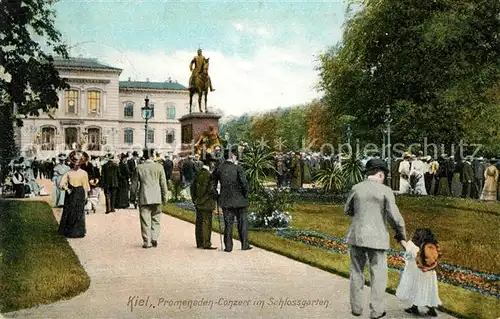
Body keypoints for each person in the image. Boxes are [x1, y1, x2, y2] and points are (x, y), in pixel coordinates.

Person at [344, 158, 407, 319]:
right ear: (380, 174)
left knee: (356, 272)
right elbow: (395, 217)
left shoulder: (356, 188)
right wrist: (401, 235)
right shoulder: (385, 191)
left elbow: (347, 210)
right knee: (378, 276)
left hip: (357, 236)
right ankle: (376, 311)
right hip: (378, 238)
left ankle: (356, 308)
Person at [211, 145, 252, 252]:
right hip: (240, 200)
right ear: (233, 156)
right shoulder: (238, 168)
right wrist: (245, 195)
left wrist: (217, 196)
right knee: (242, 223)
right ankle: (244, 245)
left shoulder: (219, 169)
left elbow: (212, 185)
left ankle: (228, 246)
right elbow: (244, 184)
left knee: (228, 224)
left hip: (225, 200)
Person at [396, 228, 441, 317]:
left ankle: (414, 307)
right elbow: (436, 260)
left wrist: (400, 238)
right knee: (429, 291)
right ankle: (431, 309)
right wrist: (428, 269)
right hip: (429, 274)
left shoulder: (413, 247)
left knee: (416, 290)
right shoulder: (432, 247)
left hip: (416, 274)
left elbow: (405, 247)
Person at [130, 148, 169, 249]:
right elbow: (163, 184)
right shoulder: (159, 167)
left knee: (145, 220)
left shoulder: (139, 168)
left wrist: (132, 197)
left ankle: (147, 241)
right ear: (152, 156)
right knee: (156, 219)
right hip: (157, 196)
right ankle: (154, 237)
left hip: (144, 196)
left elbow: (134, 185)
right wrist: (165, 197)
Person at [58, 151, 90, 238]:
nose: (77, 165)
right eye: (75, 164)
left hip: (80, 193)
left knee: (79, 212)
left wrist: (86, 196)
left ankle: (79, 231)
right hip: (71, 193)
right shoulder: (68, 173)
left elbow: (85, 186)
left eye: (79, 164)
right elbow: (62, 183)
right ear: (72, 164)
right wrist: (67, 189)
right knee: (70, 211)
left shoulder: (84, 173)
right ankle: (70, 231)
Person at [191, 153, 218, 249]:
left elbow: (192, 187)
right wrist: (216, 196)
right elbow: (211, 189)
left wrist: (195, 199)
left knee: (199, 222)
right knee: (207, 223)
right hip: (207, 202)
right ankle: (206, 243)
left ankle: (199, 242)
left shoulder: (198, 173)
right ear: (210, 163)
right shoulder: (209, 175)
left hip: (198, 201)